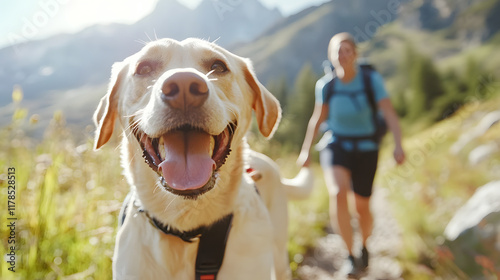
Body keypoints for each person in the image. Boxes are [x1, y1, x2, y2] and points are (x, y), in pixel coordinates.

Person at [297, 32, 405, 275]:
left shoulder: (370, 79)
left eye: (347, 50)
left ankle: (365, 245)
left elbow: (388, 112)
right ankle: (349, 254)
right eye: (338, 51)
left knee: (362, 207)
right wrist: (305, 151)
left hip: (367, 147)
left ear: (355, 54)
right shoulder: (326, 85)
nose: (343, 55)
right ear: (331, 57)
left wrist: (398, 144)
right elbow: (317, 119)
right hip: (337, 145)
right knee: (337, 194)